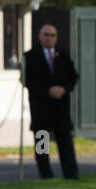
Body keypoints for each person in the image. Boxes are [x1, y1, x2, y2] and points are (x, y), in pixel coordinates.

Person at [23, 24, 79, 179]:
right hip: (41, 108)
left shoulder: (64, 55)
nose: (49, 38)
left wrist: (63, 89)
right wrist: (47, 90)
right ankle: (45, 173)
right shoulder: (30, 56)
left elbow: (73, 77)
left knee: (65, 141)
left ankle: (71, 173)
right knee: (42, 142)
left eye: (52, 35)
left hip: (60, 107)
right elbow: (27, 80)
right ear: (40, 36)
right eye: (46, 35)